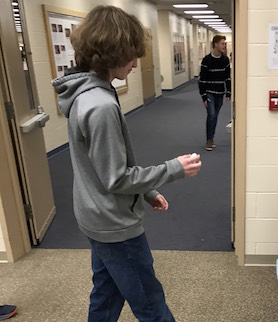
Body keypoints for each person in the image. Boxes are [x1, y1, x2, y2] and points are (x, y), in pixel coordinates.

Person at [52, 5, 201, 322]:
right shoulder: (101, 105)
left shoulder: (86, 93)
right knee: (150, 303)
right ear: (111, 53)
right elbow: (117, 178)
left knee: (106, 295)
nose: (136, 63)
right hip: (114, 223)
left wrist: (147, 192)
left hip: (95, 214)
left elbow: (104, 165)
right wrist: (174, 168)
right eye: (131, 55)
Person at [198, 35, 231, 151]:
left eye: (225, 44)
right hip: (209, 92)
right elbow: (202, 80)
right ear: (215, 44)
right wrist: (204, 96)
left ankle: (211, 137)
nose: (224, 46)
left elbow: (227, 77)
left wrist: (228, 92)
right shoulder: (207, 60)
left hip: (220, 93)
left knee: (215, 116)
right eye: (222, 43)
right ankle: (209, 140)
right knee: (211, 115)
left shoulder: (225, 60)